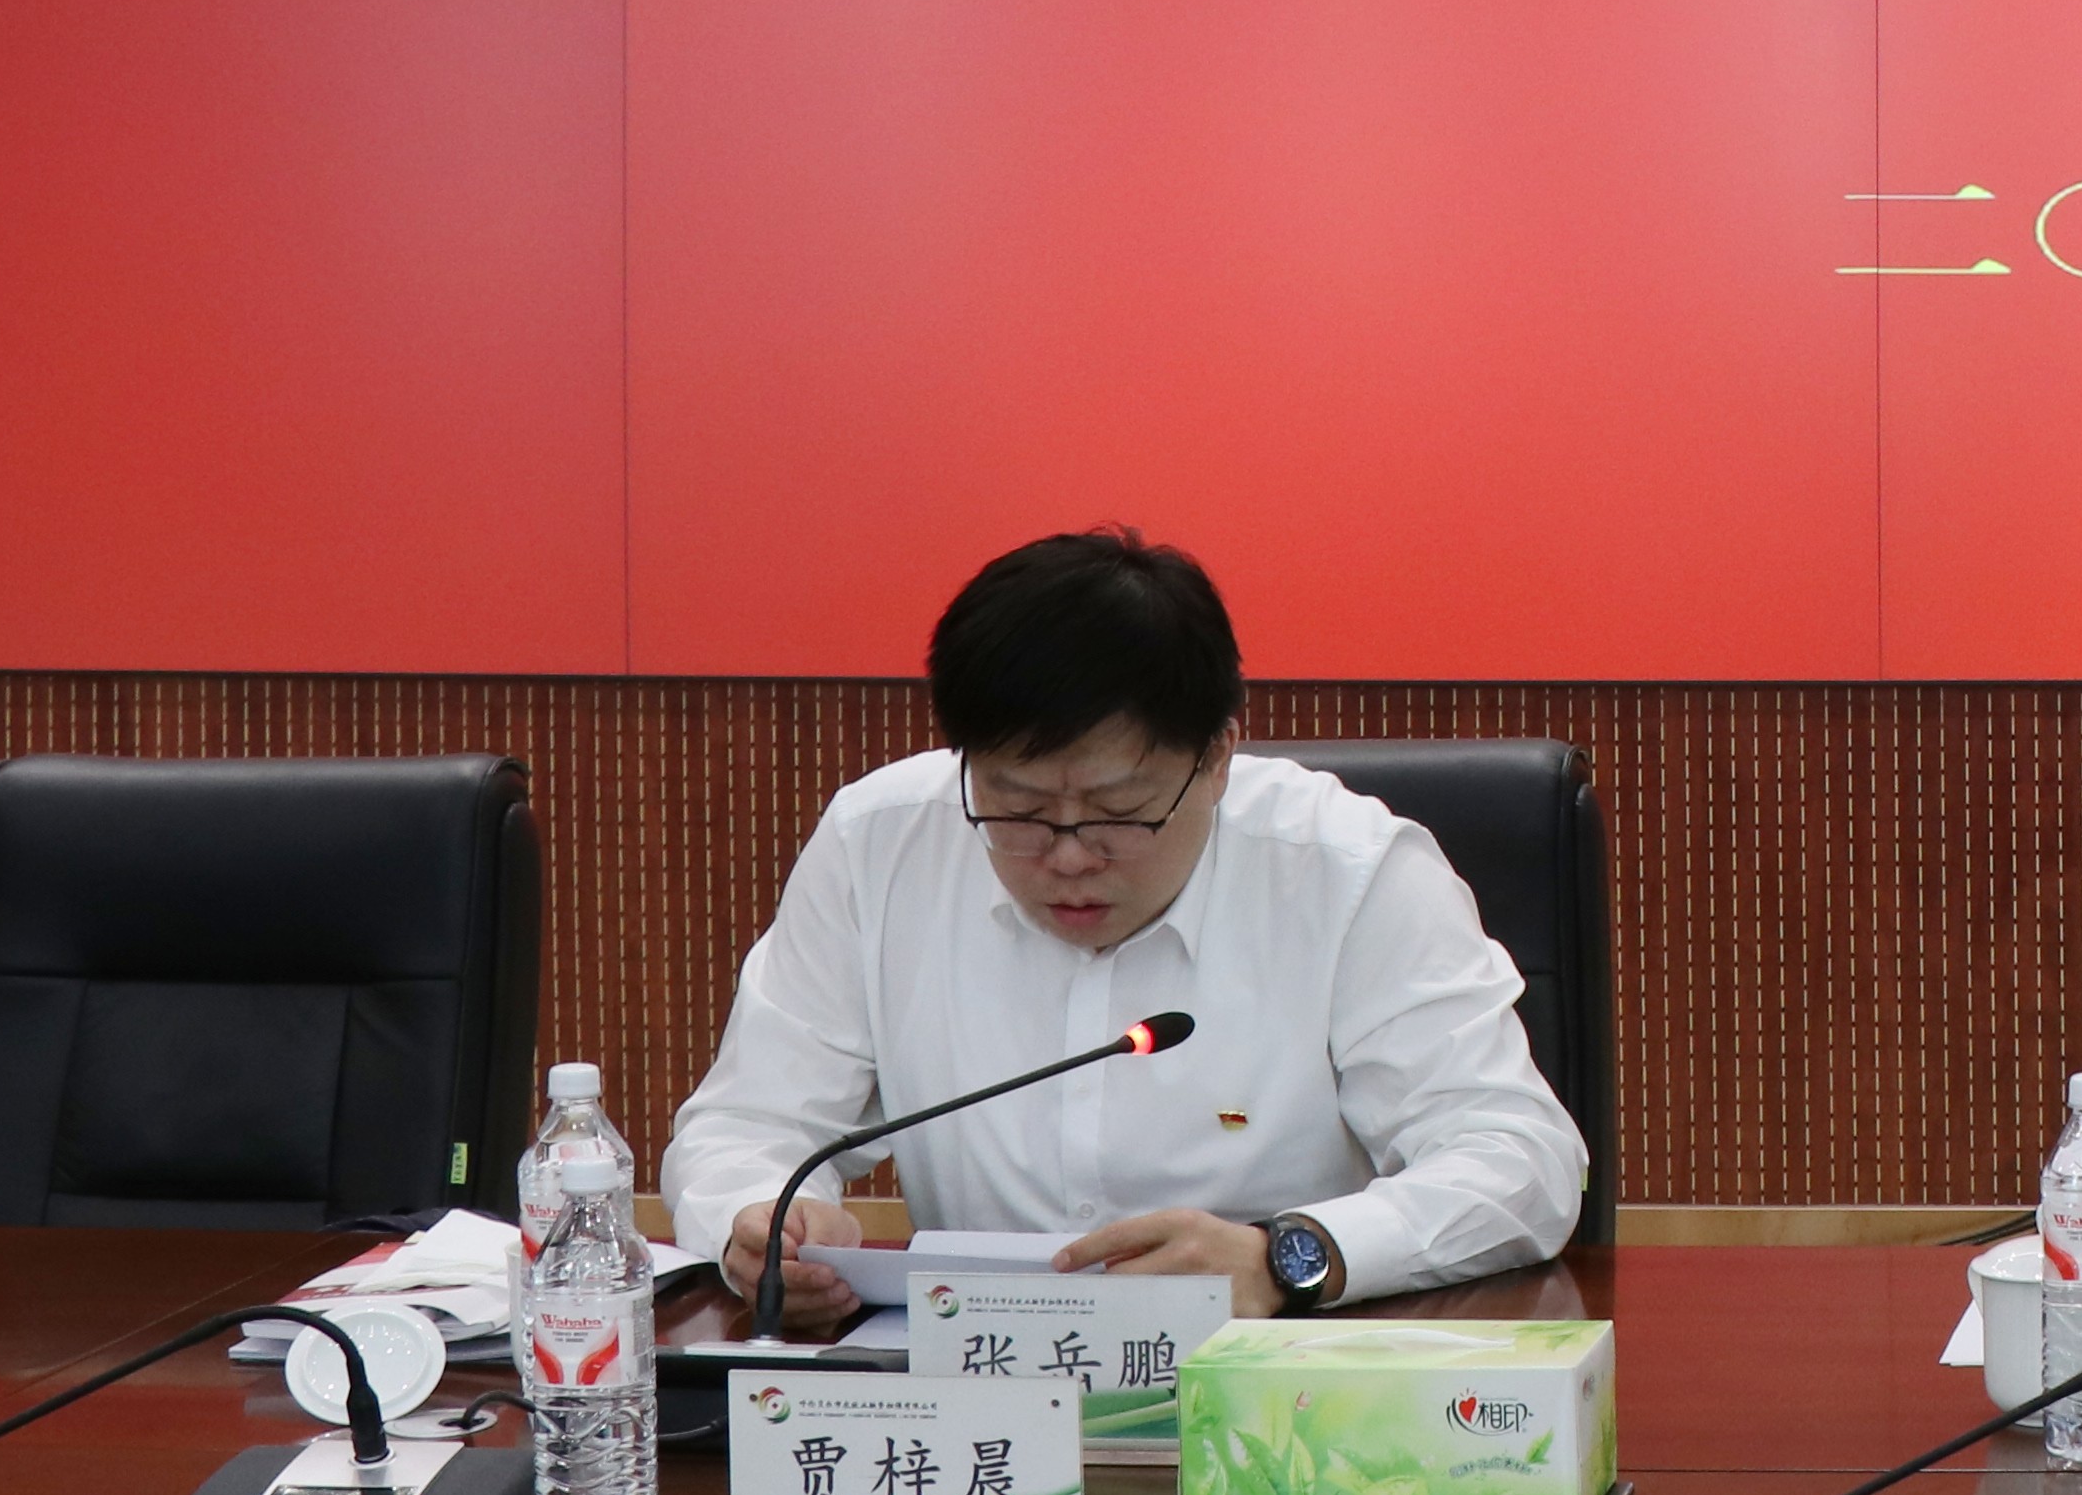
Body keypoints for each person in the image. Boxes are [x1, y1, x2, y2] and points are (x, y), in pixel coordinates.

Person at [665, 529, 1584, 1329]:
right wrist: (765, 1223)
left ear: (1217, 758)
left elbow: (1520, 1163)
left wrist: (1283, 1256)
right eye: (1020, 809)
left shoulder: (1347, 872)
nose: (1068, 856)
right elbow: (746, 1126)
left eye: (1117, 812)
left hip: (1280, 1388)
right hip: (976, 1381)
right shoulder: (882, 845)